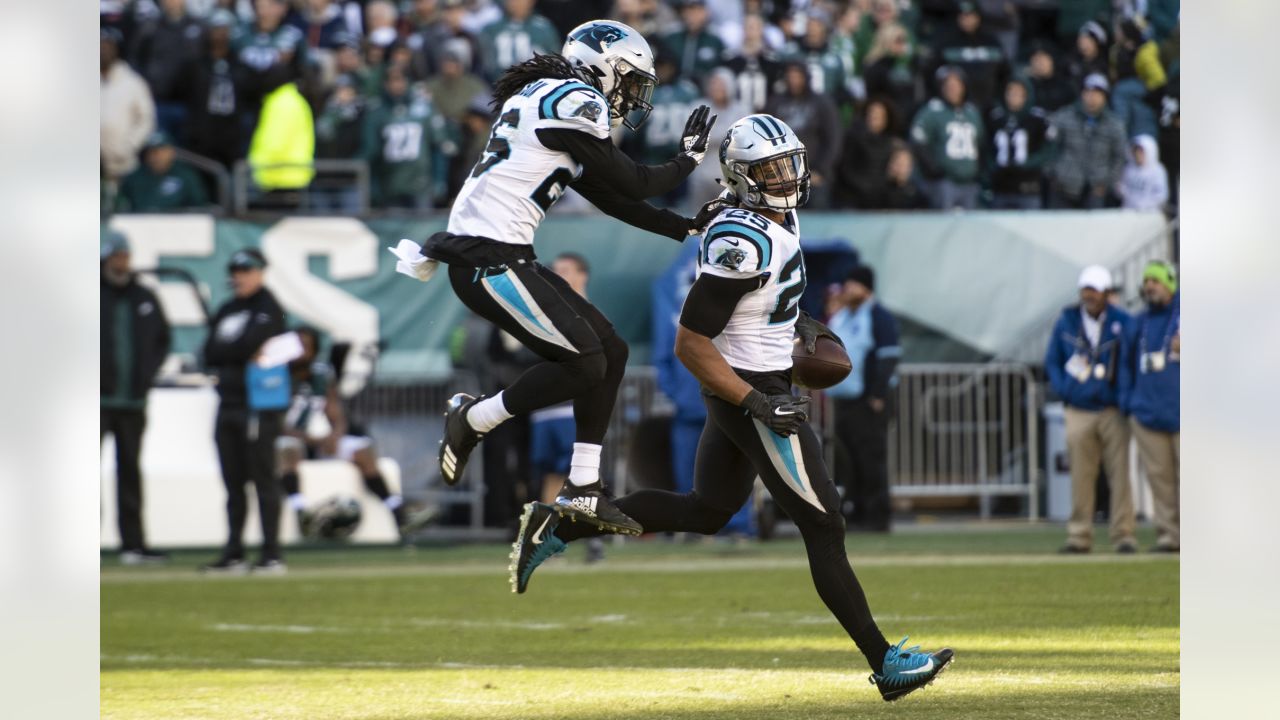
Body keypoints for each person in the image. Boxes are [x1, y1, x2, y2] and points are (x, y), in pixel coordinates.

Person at [509, 116, 954, 702]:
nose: (787, 176)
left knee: (708, 510)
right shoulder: (739, 240)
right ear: (743, 178)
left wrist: (797, 325)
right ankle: (885, 661)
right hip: (751, 391)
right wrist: (758, 403)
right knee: (824, 522)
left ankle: (561, 521)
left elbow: (763, 302)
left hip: (752, 384)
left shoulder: (773, 219)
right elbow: (690, 342)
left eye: (789, 162)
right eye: (771, 169)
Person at [394, 21, 718, 537]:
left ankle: (583, 486)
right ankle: (474, 419)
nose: (632, 94)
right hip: (488, 260)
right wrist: (688, 161)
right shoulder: (575, 100)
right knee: (586, 359)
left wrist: (683, 226)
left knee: (610, 352)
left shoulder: (551, 98)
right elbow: (634, 181)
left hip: (504, 256)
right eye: (630, 80)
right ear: (601, 67)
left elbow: (613, 198)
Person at [276, 327, 431, 541]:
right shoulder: (277, 373)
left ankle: (399, 515)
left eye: (306, 346)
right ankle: (301, 513)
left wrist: (335, 436)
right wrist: (313, 439)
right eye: (297, 345)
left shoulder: (321, 374)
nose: (300, 351)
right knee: (288, 447)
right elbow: (273, 422)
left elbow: (335, 410)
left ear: (314, 351)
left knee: (361, 449)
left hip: (319, 439)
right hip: (291, 438)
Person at [201, 248, 289, 573]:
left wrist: (232, 352)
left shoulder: (269, 307)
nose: (240, 275)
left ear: (261, 272)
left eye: (247, 269)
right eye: (236, 269)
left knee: (263, 479)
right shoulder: (227, 308)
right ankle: (234, 551)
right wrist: (234, 353)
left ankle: (271, 553)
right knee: (232, 483)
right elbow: (210, 350)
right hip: (229, 401)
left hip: (258, 405)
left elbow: (249, 343)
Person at [1044, 265, 1136, 554]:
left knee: (1119, 474)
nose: (1089, 295)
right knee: (1081, 475)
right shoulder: (1068, 321)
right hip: (1079, 407)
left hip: (1112, 409)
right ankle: (1079, 535)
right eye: (1086, 289)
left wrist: (1125, 397)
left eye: (1094, 289)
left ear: (1107, 293)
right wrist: (1066, 390)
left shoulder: (1123, 321)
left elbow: (1131, 361)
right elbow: (1053, 361)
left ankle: (1124, 536)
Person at [527, 254, 607, 562]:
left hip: (576, 406)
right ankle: (549, 537)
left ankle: (592, 537)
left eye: (565, 271)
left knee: (585, 474)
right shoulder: (543, 311)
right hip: (547, 407)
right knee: (550, 476)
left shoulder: (590, 313)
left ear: (582, 275)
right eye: (555, 271)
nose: (558, 276)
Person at [101, 232, 172, 565]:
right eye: (116, 256)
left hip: (133, 400)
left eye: (125, 255)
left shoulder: (144, 296)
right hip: (97, 402)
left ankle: (134, 543)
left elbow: (162, 339)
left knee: (130, 472)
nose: (122, 262)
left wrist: (146, 375)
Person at [825, 266, 901, 531]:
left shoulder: (880, 317)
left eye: (852, 284)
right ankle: (855, 512)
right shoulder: (843, 316)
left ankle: (877, 516)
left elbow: (889, 356)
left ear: (866, 288)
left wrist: (878, 394)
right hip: (845, 401)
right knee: (849, 460)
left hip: (870, 400)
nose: (847, 289)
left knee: (871, 458)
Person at [1124, 261, 1179, 552]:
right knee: (1161, 481)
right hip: (1148, 412)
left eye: (1155, 281)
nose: (1149, 287)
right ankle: (1170, 536)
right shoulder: (1139, 321)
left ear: (1169, 283)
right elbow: (1125, 363)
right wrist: (1130, 401)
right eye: (1146, 282)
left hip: (1184, 411)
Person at [362, 66, 450, 209]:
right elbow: (372, 152)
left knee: (423, 229)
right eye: (392, 81)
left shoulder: (424, 109)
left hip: (421, 184)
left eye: (400, 80)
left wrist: (439, 179)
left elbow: (438, 147)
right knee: (393, 229)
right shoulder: (377, 112)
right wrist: (374, 185)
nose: (396, 85)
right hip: (390, 186)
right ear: (385, 84)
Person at [765, 62, 841, 209]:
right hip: (782, 177)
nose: (794, 80)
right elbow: (765, 139)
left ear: (806, 77)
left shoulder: (822, 103)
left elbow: (833, 140)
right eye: (790, 76)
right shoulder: (775, 103)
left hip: (814, 175)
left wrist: (821, 170)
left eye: (797, 76)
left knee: (817, 221)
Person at [1047, 74, 1128, 209]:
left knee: (1094, 229)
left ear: (1105, 97)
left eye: (1097, 94)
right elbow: (1050, 147)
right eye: (1088, 93)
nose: (1092, 98)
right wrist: (1053, 174)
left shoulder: (1114, 124)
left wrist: (1107, 183)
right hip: (1063, 188)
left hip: (1096, 190)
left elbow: (1119, 157)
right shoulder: (1065, 116)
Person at [910, 66, 984, 210]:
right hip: (945, 181)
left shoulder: (972, 112)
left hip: (969, 181)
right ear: (941, 88)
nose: (953, 89)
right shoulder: (932, 111)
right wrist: (933, 169)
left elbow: (980, 143)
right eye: (948, 86)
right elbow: (918, 139)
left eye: (956, 85)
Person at [985, 76, 1055, 210]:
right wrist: (992, 167)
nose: (1014, 97)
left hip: (1028, 187)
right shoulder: (995, 117)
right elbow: (986, 147)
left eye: (1018, 93)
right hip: (1001, 187)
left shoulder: (1038, 119)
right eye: (1010, 92)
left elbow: (1049, 147)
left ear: (1026, 95)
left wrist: (1032, 162)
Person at [101, 27, 156, 182]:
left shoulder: (133, 82)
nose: (103, 50)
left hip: (124, 165)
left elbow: (146, 119)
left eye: (107, 46)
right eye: (99, 45)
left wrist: (129, 146)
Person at [930, 1, 1006, 111]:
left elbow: (1004, 73)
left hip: (988, 105)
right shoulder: (947, 43)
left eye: (970, 15)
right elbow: (935, 73)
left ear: (978, 17)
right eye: (963, 16)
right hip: (956, 107)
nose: (967, 20)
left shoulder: (992, 42)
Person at [116, 131, 210, 212]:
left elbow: (200, 207)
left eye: (161, 151)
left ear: (171, 152)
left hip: (178, 227)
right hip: (140, 226)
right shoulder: (134, 178)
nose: (156, 156)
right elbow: (121, 206)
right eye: (152, 151)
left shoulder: (186, 176)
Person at [835, 99, 896, 209]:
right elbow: (846, 169)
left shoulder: (890, 144)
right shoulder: (853, 138)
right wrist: (864, 188)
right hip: (854, 197)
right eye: (871, 114)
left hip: (880, 197)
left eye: (879, 115)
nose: (874, 118)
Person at [479, 0, 561, 81]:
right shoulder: (491, 29)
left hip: (537, 84)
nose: (517, 3)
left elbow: (554, 59)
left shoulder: (544, 28)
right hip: (499, 85)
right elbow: (486, 65)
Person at [660, 0, 726, 81]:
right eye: (688, 11)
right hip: (674, 87)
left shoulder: (715, 39)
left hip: (705, 89)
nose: (692, 15)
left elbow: (722, 71)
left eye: (697, 11)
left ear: (706, 12)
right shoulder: (671, 37)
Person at [1117, 135, 1169, 211]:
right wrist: (1121, 190)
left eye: (1141, 152)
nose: (1138, 155)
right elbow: (1124, 189)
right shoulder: (1129, 168)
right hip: (1128, 211)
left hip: (1149, 213)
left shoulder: (1158, 170)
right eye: (1135, 152)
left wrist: (1145, 205)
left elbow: (1161, 196)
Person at [872, 142, 930, 210]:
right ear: (889, 164)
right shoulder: (877, 192)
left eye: (905, 164)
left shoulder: (916, 193)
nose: (901, 168)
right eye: (898, 163)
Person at [1024, 41, 1075, 113]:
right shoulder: (1026, 86)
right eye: (1036, 60)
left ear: (1052, 61)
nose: (1039, 64)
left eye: (1043, 59)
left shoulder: (1064, 86)